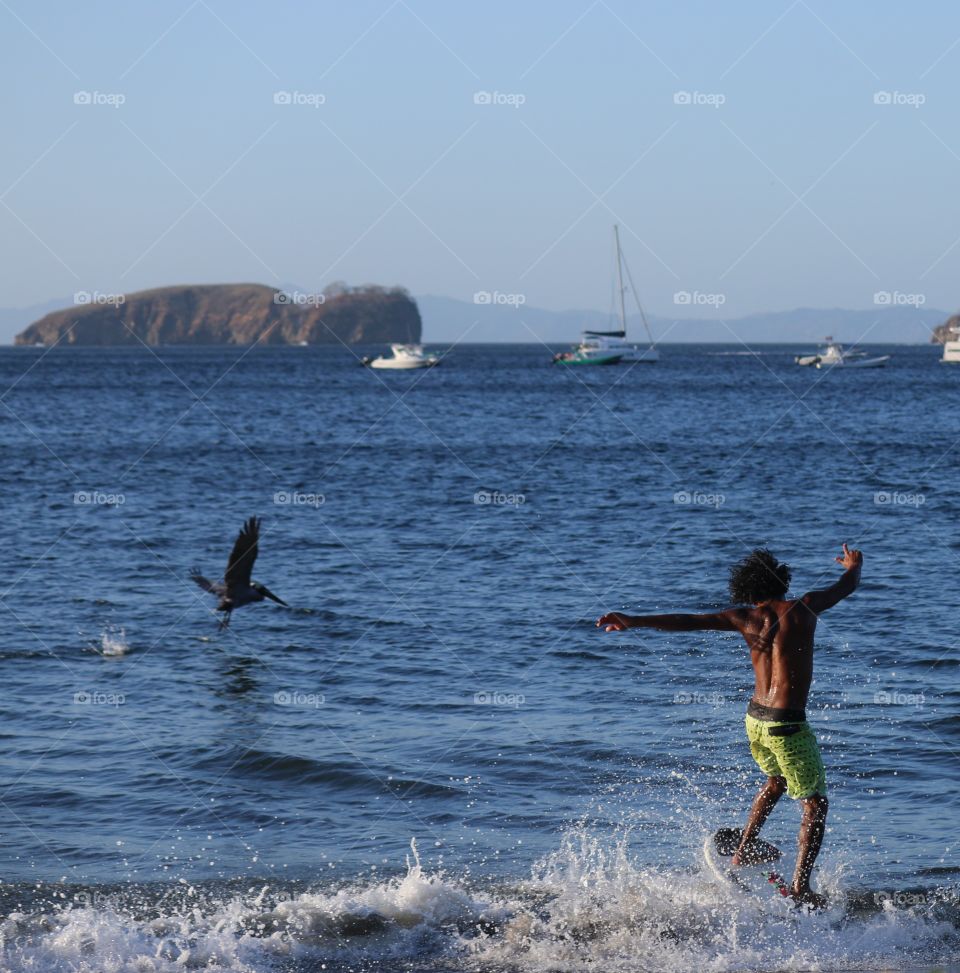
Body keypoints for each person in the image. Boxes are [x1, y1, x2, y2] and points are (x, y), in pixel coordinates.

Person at [597, 543, 863, 908]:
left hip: (755, 721)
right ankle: (801, 888)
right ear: (783, 580)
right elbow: (846, 587)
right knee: (815, 804)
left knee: (777, 781)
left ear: (747, 591)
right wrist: (853, 565)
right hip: (787, 726)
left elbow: (688, 621)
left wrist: (634, 620)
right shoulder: (803, 608)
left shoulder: (743, 618)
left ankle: (744, 849)